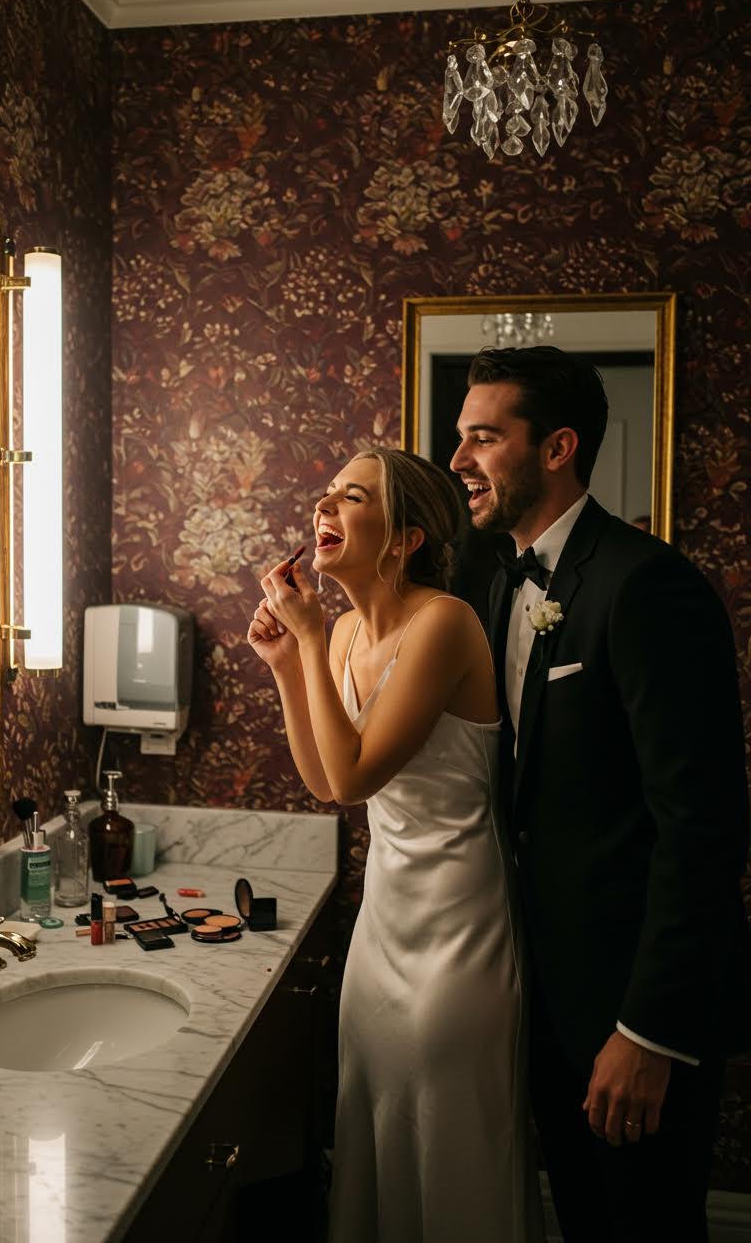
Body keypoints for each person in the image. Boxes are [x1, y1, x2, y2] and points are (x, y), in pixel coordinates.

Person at [451, 345, 751, 1242]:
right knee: (582, 1219)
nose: (459, 459)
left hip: (632, 1009)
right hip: (539, 993)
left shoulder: (646, 585)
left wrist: (649, 1032)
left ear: (557, 448)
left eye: (483, 438)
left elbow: (701, 827)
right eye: (459, 438)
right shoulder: (486, 579)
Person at [247, 446, 543, 1243]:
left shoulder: (443, 622)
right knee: (375, 1129)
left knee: (450, 1143)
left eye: (351, 497)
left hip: (458, 925)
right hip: (383, 925)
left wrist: (306, 636)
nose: (324, 510)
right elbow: (323, 779)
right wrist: (288, 662)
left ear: (407, 536)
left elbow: (352, 780)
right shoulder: (340, 633)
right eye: (325, 495)